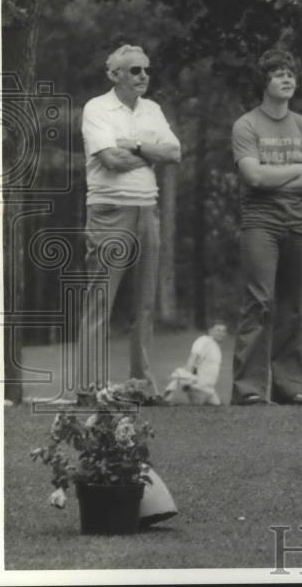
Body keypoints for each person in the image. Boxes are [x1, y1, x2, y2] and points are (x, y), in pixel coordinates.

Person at [78, 44, 181, 394]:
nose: (143, 76)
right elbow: (110, 160)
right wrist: (152, 155)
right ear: (115, 75)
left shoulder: (152, 109)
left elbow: (175, 152)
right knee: (100, 299)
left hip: (147, 211)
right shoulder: (97, 108)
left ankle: (141, 385)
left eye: (146, 70)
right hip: (109, 210)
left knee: (145, 303)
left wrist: (135, 146)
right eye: (135, 70)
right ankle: (90, 388)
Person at [231, 48, 302, 405]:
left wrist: (277, 179)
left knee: (292, 305)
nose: (287, 78)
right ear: (265, 82)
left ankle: (290, 388)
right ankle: (249, 390)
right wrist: (299, 169)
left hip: (300, 222)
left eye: (291, 73)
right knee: (259, 301)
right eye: (279, 74)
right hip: (261, 222)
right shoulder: (247, 125)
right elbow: (253, 176)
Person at [164, 320, 228, 405]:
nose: (221, 333)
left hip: (209, 388)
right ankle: (170, 400)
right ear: (210, 331)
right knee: (199, 407)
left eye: (223, 331)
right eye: (218, 330)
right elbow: (192, 359)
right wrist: (187, 379)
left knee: (218, 406)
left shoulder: (215, 346)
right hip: (198, 386)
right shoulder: (204, 341)